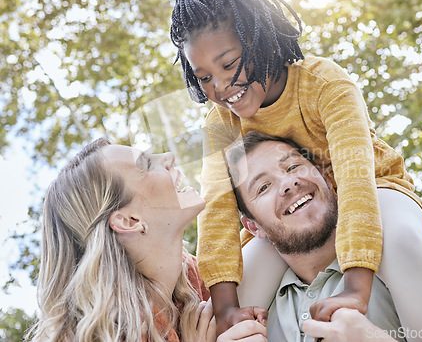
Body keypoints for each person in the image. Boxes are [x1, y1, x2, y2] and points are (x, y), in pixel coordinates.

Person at [169, 0, 422, 340]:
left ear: (258, 41)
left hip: (375, 188)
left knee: (399, 243)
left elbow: (356, 179)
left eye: (229, 64)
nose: (220, 86)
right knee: (225, 299)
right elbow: (216, 208)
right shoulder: (220, 123)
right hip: (291, 218)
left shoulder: (325, 83)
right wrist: (228, 307)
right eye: (203, 78)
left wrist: (355, 286)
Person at [226, 131, 422, 342]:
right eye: (263, 187)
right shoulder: (255, 318)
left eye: (293, 167)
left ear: (327, 178)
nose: (288, 183)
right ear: (252, 227)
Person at [28, 137, 267, 342]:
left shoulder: (196, 278)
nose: (168, 157)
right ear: (130, 221)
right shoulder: (109, 332)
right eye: (145, 164)